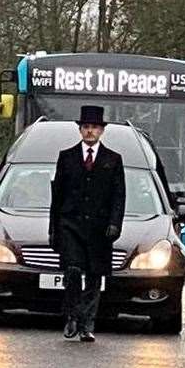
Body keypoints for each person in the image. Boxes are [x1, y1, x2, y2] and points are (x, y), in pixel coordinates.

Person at [48, 105, 125, 342]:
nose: (90, 131)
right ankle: (71, 315)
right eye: (86, 127)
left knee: (94, 276)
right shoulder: (67, 157)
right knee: (72, 271)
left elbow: (118, 195)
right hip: (70, 224)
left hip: (99, 229)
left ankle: (86, 324)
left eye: (94, 127)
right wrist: (53, 229)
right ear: (80, 130)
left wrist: (115, 223)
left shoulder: (113, 159)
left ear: (101, 131)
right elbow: (57, 195)